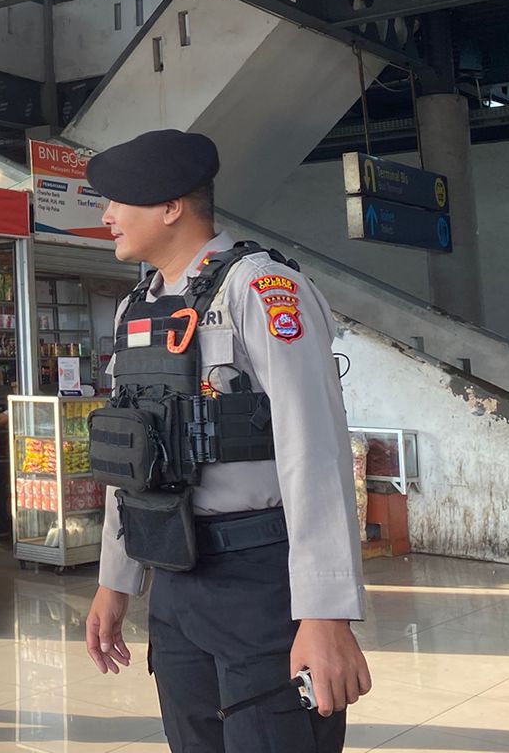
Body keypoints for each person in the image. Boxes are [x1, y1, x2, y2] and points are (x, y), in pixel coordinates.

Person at [80, 130, 371, 753]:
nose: (106, 216)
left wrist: (324, 613)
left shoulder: (260, 289)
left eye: (118, 201)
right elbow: (132, 458)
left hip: (260, 576)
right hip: (174, 576)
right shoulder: (137, 309)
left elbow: (314, 448)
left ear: (170, 207)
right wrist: (115, 580)